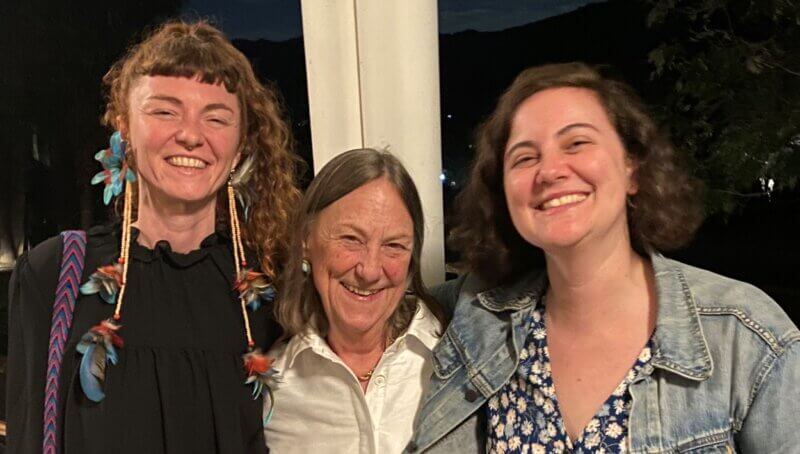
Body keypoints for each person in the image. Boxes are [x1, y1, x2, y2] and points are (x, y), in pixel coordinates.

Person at [407, 63, 800, 453]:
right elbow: (381, 307)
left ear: (632, 170)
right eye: (524, 158)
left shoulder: (746, 338)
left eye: (576, 143)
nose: (550, 171)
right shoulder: (479, 319)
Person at [7, 20, 300, 453]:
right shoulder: (53, 274)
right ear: (124, 126)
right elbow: (29, 436)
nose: (190, 135)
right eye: (165, 111)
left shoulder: (274, 290)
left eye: (216, 118)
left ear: (240, 145)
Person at [265, 148, 447, 453]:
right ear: (306, 240)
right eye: (351, 239)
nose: (370, 270)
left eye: (394, 246)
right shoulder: (269, 381)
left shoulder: (455, 357)